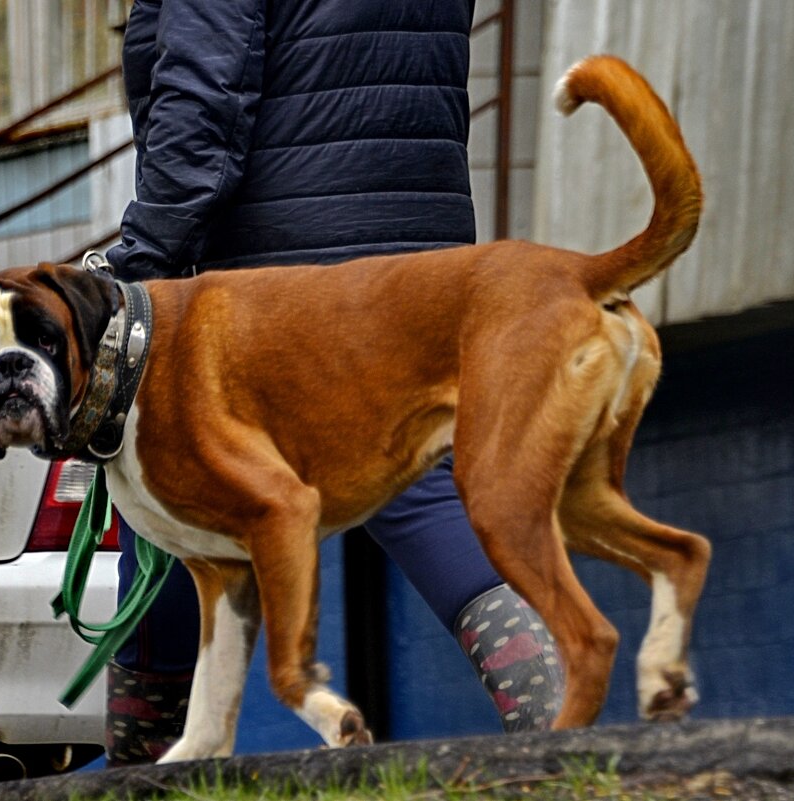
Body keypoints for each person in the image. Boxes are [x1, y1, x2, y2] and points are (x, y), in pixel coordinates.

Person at [103, 0, 563, 765]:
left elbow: (202, 92)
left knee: (166, 476)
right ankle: (544, 690)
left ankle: (135, 758)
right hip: (421, 235)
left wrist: (145, 254)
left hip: (278, 261)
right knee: (420, 476)